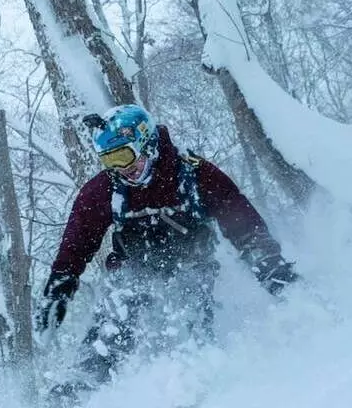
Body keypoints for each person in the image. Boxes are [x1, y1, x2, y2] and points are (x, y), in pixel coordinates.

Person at [36, 104, 298, 396]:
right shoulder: (104, 191)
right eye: (110, 160)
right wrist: (58, 289)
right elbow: (77, 241)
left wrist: (274, 272)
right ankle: (82, 384)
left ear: (147, 144)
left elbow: (244, 227)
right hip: (134, 267)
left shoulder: (195, 175)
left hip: (193, 263)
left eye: (124, 155)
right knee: (119, 306)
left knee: (190, 301)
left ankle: (197, 377)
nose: (123, 169)